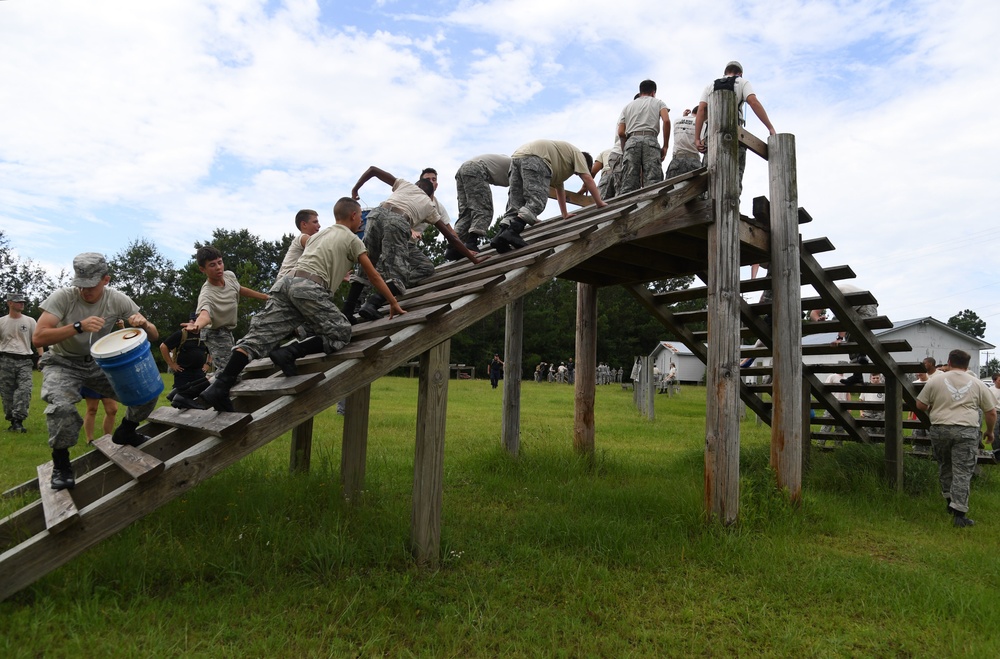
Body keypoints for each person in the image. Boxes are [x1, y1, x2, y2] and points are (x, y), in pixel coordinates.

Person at [188, 198, 406, 413]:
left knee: (256, 340)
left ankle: (220, 387)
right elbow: (374, 276)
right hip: (309, 287)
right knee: (341, 331)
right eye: (361, 217)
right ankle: (291, 352)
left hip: (285, 284)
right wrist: (393, 303)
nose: (362, 222)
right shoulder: (353, 240)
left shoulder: (318, 236)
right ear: (354, 216)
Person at [33, 252, 160, 490]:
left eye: (91, 285)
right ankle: (61, 465)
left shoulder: (118, 300)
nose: (85, 291)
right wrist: (77, 327)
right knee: (61, 407)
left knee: (148, 390)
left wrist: (144, 324)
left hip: (97, 363)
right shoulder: (62, 298)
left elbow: (153, 335)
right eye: (80, 285)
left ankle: (127, 431)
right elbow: (38, 337)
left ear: (106, 280)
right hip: (62, 362)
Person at [341, 166, 484, 322]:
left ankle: (347, 312)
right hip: (397, 223)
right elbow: (452, 238)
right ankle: (373, 303)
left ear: (416, 186)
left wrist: (355, 189)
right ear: (430, 193)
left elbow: (373, 170)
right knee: (400, 276)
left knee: (367, 263)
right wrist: (473, 258)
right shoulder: (430, 206)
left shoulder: (405, 184)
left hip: (376, 215)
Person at [916, 349, 996, 527]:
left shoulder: (934, 380)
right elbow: (990, 412)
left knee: (945, 466)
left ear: (949, 362)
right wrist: (990, 432)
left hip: (940, 429)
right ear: (967, 365)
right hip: (966, 431)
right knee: (962, 471)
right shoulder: (977, 383)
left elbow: (920, 404)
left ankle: (949, 503)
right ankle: (959, 514)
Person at [490, 140, 607, 253]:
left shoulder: (561, 163)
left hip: (517, 157)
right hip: (535, 158)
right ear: (585, 164)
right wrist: (599, 203)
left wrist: (564, 214)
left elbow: (559, 190)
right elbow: (587, 178)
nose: (577, 174)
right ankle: (513, 231)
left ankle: (500, 237)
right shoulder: (579, 155)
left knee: (516, 202)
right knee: (537, 201)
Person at [694, 61, 776, 189]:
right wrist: (770, 127)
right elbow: (753, 102)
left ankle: (709, 203)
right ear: (740, 74)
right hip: (734, 134)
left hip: (711, 134)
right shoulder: (742, 82)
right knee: (734, 175)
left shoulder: (710, 85)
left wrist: (697, 138)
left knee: (710, 175)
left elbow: (701, 110)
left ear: (725, 72)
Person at [188, 246, 270, 373]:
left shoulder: (229, 276)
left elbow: (239, 288)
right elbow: (205, 315)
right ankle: (191, 392)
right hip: (214, 333)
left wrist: (264, 297)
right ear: (202, 269)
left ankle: (192, 390)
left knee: (234, 367)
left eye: (220, 262)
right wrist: (196, 326)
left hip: (227, 331)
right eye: (212, 265)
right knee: (230, 371)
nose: (218, 267)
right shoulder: (207, 294)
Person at [447, 155, 512, 259]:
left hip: (463, 169)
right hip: (476, 169)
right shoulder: (520, 169)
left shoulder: (509, 162)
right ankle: (471, 243)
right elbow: (516, 200)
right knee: (484, 208)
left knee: (467, 213)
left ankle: (453, 247)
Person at [617, 79, 671, 194]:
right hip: (650, 140)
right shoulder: (658, 102)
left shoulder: (627, 107)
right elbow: (666, 121)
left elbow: (621, 132)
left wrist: (625, 148)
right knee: (653, 182)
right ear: (653, 92)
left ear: (640, 91)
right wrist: (665, 146)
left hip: (631, 141)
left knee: (628, 182)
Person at [1, 292, 40, 433]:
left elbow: (37, 340)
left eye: (23, 302)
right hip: (5, 360)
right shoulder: (2, 322)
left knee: (25, 390)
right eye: (18, 302)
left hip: (24, 360)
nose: (22, 304)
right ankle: (12, 421)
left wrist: (41, 356)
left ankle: (19, 420)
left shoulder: (30, 321)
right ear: (9, 303)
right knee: (7, 393)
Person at [159, 314, 211, 408]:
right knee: (180, 403)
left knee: (199, 400)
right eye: (193, 321)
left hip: (199, 372)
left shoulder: (204, 335)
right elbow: (163, 347)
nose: (194, 323)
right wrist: (172, 364)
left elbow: (211, 350)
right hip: (183, 372)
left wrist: (208, 364)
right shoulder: (181, 334)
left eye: (197, 321)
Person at [276, 209, 322, 280]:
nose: (319, 226)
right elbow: (322, 248)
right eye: (315, 222)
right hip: (286, 280)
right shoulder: (303, 238)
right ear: (304, 224)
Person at [665, 107, 703, 179]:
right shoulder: (701, 124)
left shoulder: (677, 120)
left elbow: (684, 129)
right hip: (693, 161)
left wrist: (684, 117)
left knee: (672, 189)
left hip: (676, 161)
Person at [818, 369, 848, 448]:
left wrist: (848, 405)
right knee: (826, 425)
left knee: (840, 427)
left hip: (842, 405)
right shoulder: (832, 376)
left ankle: (838, 445)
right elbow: (825, 388)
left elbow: (848, 393)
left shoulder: (846, 378)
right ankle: (820, 444)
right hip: (831, 404)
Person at [860, 372, 885, 437]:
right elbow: (861, 400)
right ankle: (868, 443)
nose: (875, 380)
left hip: (879, 412)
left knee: (879, 429)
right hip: (867, 412)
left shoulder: (883, 388)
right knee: (867, 429)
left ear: (880, 378)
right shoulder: (866, 388)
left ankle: (878, 444)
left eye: (877, 378)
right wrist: (861, 411)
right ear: (870, 379)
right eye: (873, 378)